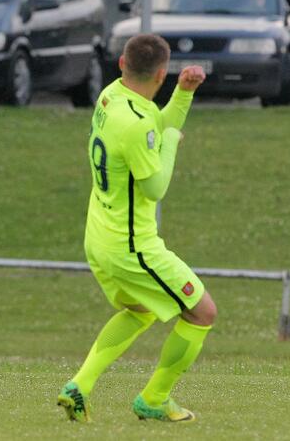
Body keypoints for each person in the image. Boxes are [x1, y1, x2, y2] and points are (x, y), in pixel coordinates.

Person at [57, 34, 214, 422]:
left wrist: (183, 94)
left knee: (142, 309)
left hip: (99, 235)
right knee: (202, 313)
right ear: (161, 72)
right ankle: (155, 399)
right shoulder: (138, 125)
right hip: (133, 247)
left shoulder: (111, 96)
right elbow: (155, 185)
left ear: (121, 65)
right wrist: (173, 140)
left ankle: (78, 387)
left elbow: (149, 129)